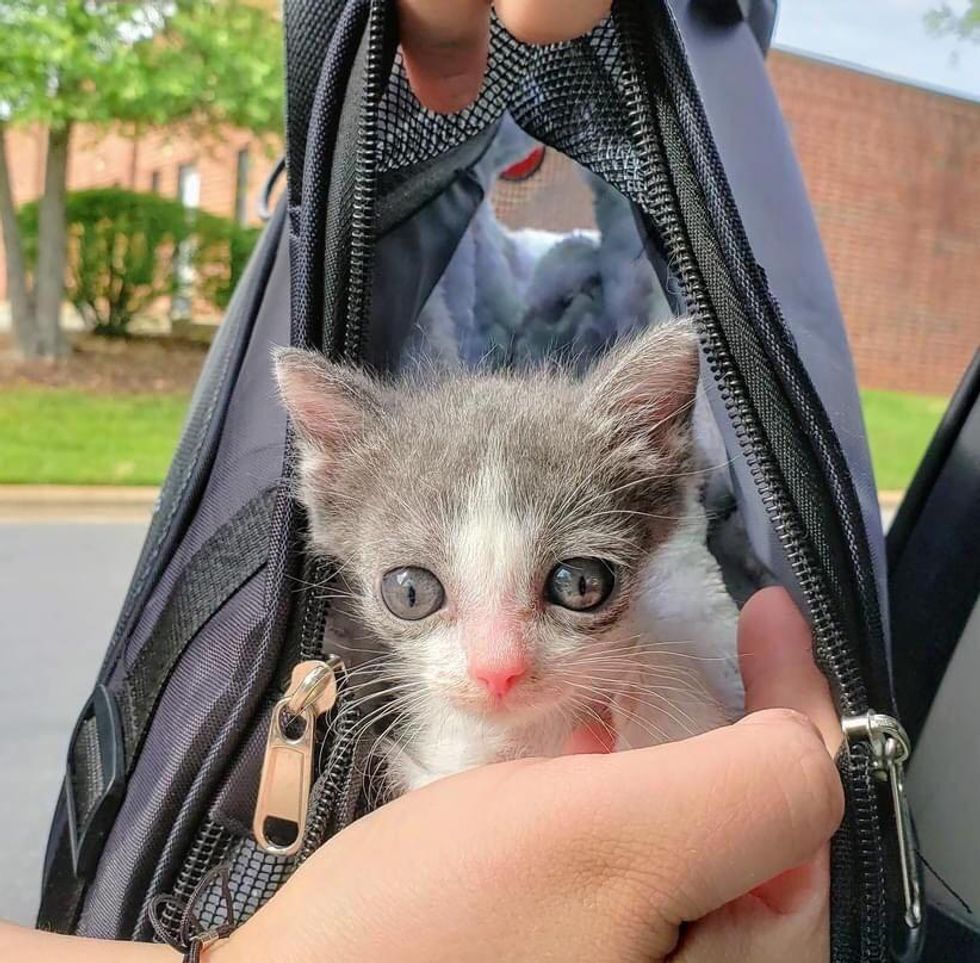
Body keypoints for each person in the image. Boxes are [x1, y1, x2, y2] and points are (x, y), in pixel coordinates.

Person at [1, 3, 844, 960]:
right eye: (416, 593)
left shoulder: (676, 680)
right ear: (335, 501)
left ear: (659, 495)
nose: (496, 666)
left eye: (578, 585)